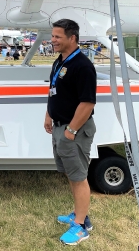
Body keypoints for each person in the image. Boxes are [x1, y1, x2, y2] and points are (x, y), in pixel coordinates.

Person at [43, 19, 97, 246]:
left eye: (57, 37)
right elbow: (53, 90)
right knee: (71, 175)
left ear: (72, 38)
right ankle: (79, 214)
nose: (53, 40)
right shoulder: (59, 61)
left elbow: (87, 103)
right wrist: (48, 114)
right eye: (53, 36)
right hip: (60, 126)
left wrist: (71, 130)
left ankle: (80, 227)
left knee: (79, 176)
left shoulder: (83, 66)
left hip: (73, 130)